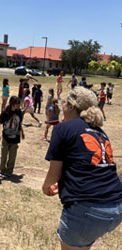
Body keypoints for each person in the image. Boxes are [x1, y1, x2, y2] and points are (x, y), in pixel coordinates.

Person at [42, 86, 122, 250]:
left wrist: (45, 187)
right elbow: (88, 166)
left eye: (64, 103)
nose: (62, 106)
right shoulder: (100, 132)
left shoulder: (62, 129)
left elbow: (54, 173)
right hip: (116, 207)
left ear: (71, 106)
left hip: (87, 209)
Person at [0, 96, 24, 177]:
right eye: (17, 104)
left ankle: (9, 171)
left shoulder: (19, 112)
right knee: (4, 154)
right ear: (12, 103)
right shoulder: (5, 112)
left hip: (15, 137)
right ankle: (2, 169)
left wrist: (22, 132)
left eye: (19, 104)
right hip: (6, 136)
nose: (18, 106)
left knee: (12, 156)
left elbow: (19, 123)